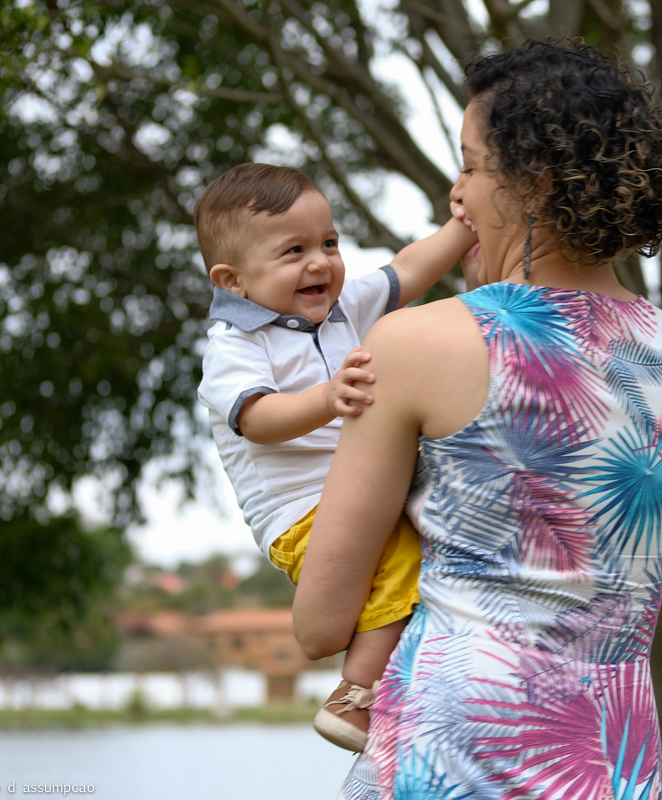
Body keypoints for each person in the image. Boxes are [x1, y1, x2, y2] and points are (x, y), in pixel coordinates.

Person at [294, 39, 662, 797]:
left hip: (460, 748)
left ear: (535, 183)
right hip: (610, 750)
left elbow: (320, 623)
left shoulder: (422, 341)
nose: (458, 196)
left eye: (472, 166)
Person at [194, 163, 476, 750]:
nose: (320, 262)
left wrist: (464, 224)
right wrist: (326, 399)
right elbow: (258, 420)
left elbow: (407, 270)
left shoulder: (344, 308)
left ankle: (414, 691)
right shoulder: (235, 344)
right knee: (402, 561)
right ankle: (355, 696)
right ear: (233, 280)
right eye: (293, 251)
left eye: (329, 242)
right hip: (300, 511)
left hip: (359, 488)